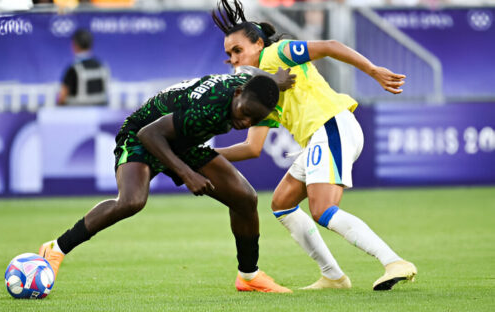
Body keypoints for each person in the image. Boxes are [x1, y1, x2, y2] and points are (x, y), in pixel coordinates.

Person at [212, 0, 416, 291]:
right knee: (282, 203)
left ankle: (394, 262)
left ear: (258, 44)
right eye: (229, 54)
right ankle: (333, 277)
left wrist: (373, 71)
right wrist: (206, 155)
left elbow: (331, 45)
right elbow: (252, 147)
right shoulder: (261, 91)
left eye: (237, 50)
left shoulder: (276, 53)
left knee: (322, 209)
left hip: (331, 125)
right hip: (319, 138)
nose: (233, 59)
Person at [39, 71, 297, 293]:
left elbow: (256, 79)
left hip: (182, 139)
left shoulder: (249, 90)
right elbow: (148, 133)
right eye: (244, 113)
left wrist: (275, 81)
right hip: (143, 136)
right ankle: (56, 248)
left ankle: (249, 276)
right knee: (132, 201)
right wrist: (187, 174)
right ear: (238, 94)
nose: (245, 122)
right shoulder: (207, 108)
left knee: (245, 198)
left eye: (253, 120)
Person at [58, 28, 110, 106]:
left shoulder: (74, 69)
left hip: (77, 113)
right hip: (100, 112)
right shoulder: (102, 66)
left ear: (75, 45)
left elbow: (62, 97)